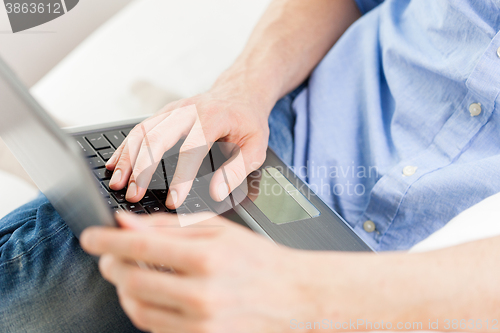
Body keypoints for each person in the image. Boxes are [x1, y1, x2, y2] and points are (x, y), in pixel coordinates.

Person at [1, 0, 500, 332]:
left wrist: (311, 296)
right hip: (270, 157)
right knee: (63, 272)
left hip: (438, 295)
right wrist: (242, 90)